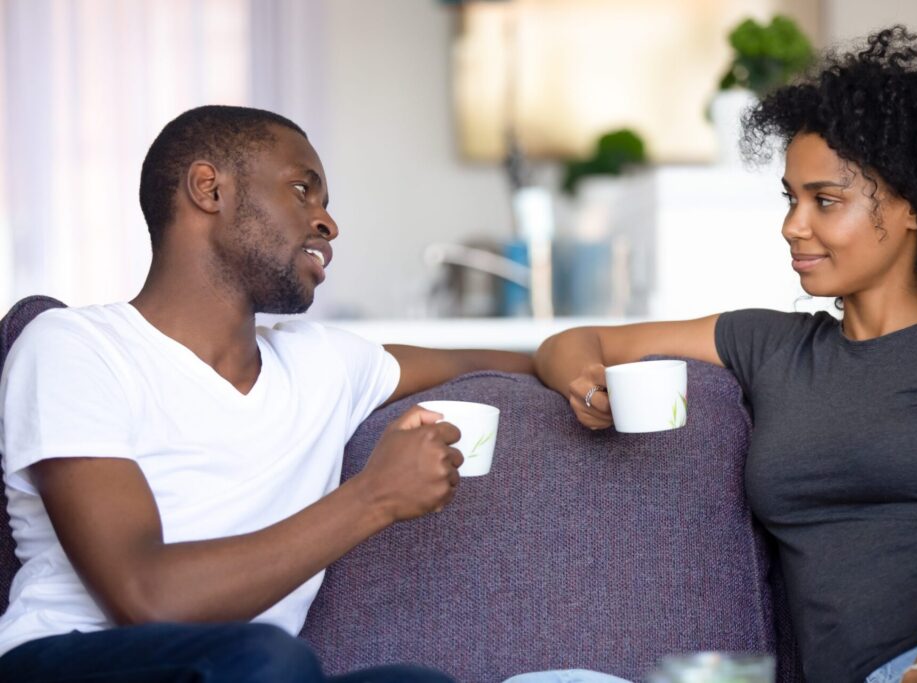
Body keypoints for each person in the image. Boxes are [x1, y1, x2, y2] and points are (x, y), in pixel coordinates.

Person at [534, 27, 917, 683]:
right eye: (791, 199)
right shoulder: (767, 344)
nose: (793, 225)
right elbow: (570, 343)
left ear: (915, 206)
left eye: (826, 200)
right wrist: (585, 383)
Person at [0, 105, 534, 682]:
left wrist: (561, 355)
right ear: (209, 189)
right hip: (68, 661)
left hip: (258, 672)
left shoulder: (321, 363)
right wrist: (375, 497)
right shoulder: (75, 347)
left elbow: (495, 362)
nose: (328, 224)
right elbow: (146, 597)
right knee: (269, 657)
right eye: (303, 190)